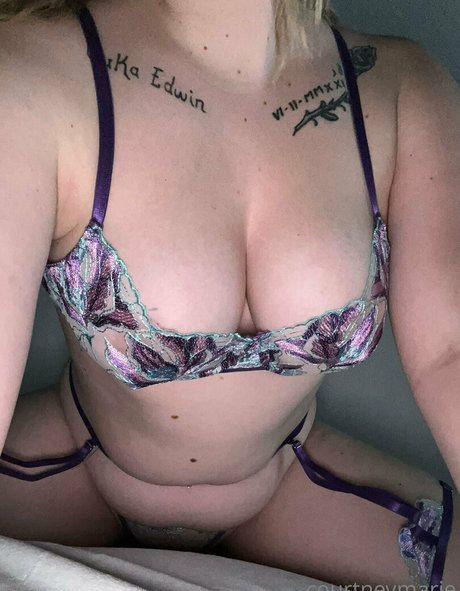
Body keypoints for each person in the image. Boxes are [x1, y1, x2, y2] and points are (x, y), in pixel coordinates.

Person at [0, 0, 459, 587]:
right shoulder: (31, 73)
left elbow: (449, 354)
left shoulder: (400, 87)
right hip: (69, 467)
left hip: (286, 479)